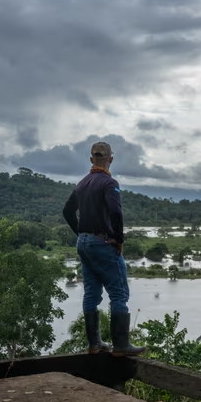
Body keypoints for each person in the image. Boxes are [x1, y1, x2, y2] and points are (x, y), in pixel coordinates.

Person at [63, 141, 145, 356]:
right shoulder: (109, 183)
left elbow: (67, 211)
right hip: (102, 242)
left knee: (91, 292)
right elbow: (116, 214)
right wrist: (119, 239)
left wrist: (80, 233)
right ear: (110, 159)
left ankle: (94, 344)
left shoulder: (82, 183)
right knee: (119, 293)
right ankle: (121, 345)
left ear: (91, 160)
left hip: (84, 243)